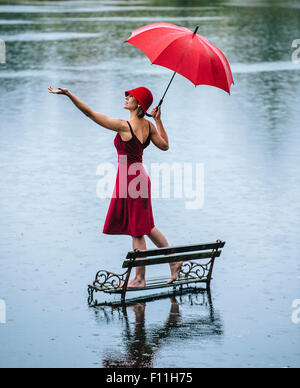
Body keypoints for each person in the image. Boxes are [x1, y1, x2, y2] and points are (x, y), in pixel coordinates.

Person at [48, 85, 182, 287]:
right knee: (147, 226)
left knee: (138, 231)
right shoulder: (148, 126)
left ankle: (139, 279)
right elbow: (165, 145)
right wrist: (158, 119)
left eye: (131, 96)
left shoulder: (123, 126)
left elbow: (90, 114)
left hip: (131, 180)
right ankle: (174, 260)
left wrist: (69, 95)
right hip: (138, 178)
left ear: (139, 104)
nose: (127, 96)